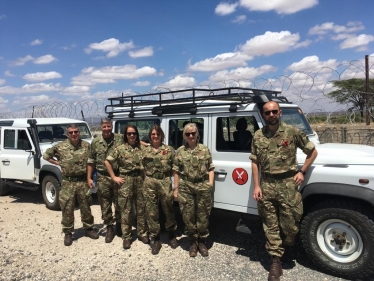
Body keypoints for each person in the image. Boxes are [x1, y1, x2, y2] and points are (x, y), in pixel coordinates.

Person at [250, 101, 318, 281]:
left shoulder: (292, 132)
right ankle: (275, 261)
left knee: (290, 225)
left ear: (279, 113)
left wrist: (302, 171)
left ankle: (286, 247)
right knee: (270, 223)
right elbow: (255, 162)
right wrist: (256, 185)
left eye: (274, 112)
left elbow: (312, 152)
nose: (271, 115)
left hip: (288, 184)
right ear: (263, 115)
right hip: (267, 185)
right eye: (267, 112)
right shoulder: (258, 136)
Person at [43, 124, 99, 246]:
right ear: (67, 134)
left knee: (86, 206)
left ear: (79, 132)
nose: (74, 134)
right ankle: (68, 232)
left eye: (76, 132)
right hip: (68, 182)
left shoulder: (86, 146)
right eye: (71, 132)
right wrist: (58, 163)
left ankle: (88, 228)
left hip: (83, 181)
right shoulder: (60, 146)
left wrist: (90, 177)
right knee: (67, 207)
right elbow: (46, 155)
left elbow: (92, 161)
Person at [173, 123, 215, 257]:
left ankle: (202, 241)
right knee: (187, 216)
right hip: (186, 186)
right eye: (188, 134)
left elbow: (211, 168)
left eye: (193, 133)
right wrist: (176, 189)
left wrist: (210, 184)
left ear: (197, 134)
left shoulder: (204, 149)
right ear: (184, 136)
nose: (191, 136)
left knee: (203, 216)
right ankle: (192, 242)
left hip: (203, 185)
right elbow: (176, 171)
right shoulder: (180, 151)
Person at [104, 124, 147, 250]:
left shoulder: (142, 148)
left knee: (140, 209)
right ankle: (126, 237)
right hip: (125, 180)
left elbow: (151, 151)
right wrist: (114, 177)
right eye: (129, 134)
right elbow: (107, 161)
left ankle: (142, 233)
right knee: (126, 210)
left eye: (134, 133)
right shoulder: (120, 148)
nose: (132, 136)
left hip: (139, 179)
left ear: (137, 135)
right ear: (125, 135)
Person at [143, 125, 178, 255]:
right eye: (153, 134)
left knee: (168, 208)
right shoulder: (145, 150)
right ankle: (156, 239)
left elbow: (175, 169)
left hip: (164, 181)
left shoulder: (169, 150)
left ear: (161, 135)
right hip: (150, 181)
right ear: (150, 136)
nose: (155, 136)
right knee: (151, 211)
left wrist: (176, 187)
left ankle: (171, 235)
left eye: (158, 134)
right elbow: (141, 167)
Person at [87, 118, 123, 243]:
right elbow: (91, 161)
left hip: (118, 175)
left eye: (108, 126)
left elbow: (134, 141)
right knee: (105, 204)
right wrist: (89, 177)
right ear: (101, 127)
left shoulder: (120, 138)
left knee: (119, 202)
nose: (107, 129)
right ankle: (109, 227)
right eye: (104, 127)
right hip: (102, 177)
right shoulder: (96, 142)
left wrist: (147, 144)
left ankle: (119, 225)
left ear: (112, 126)